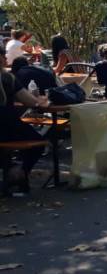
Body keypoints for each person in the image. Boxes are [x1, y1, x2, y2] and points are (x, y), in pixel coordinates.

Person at [1, 55, 49, 194]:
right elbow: (31, 102)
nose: (6, 58)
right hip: (7, 126)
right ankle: (20, 172)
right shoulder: (8, 79)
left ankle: (11, 170)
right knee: (39, 142)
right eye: (4, 56)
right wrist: (42, 100)